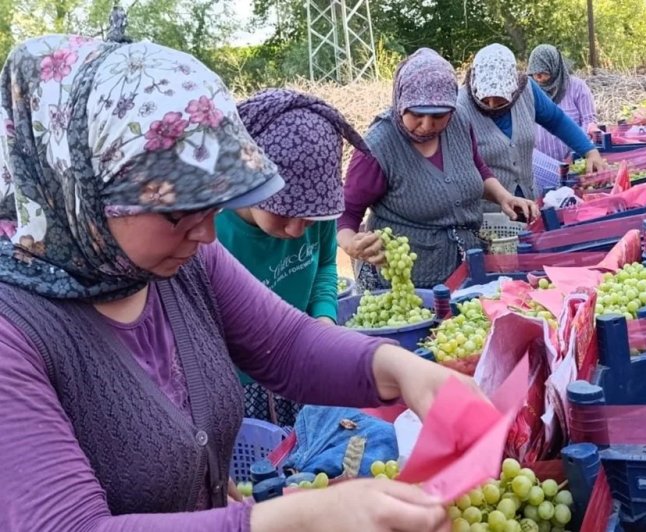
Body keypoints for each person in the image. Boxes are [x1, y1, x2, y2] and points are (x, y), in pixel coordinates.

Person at [0, 35, 475, 532]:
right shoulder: (17, 332)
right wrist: (298, 518)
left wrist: (401, 370)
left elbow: (287, 345)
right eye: (178, 213)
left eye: (215, 204)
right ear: (82, 193)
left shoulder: (180, 264)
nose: (206, 233)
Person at [216, 89, 365, 428]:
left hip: (300, 366)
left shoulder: (318, 218)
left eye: (310, 217)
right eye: (284, 214)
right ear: (249, 183)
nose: (298, 230)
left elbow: (325, 266)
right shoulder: (211, 233)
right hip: (238, 385)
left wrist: (324, 320)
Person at [337, 48, 538, 291]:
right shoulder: (378, 146)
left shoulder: (460, 122)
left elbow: (477, 169)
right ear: (401, 102)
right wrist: (350, 243)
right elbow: (347, 214)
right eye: (417, 115)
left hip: (466, 272)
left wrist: (504, 197)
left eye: (439, 116)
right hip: (407, 286)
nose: (427, 126)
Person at [456, 43, 607, 201]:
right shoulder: (461, 107)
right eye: (485, 100)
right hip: (489, 213)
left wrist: (589, 151)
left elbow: (556, 120)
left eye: (500, 100)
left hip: (530, 201)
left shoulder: (527, 90)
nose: (492, 105)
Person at [528, 44, 599, 162]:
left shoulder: (577, 87)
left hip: (576, 160)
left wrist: (577, 152)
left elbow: (589, 122)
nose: (539, 78)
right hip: (544, 164)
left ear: (554, 67)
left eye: (543, 73)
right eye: (535, 74)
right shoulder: (530, 92)